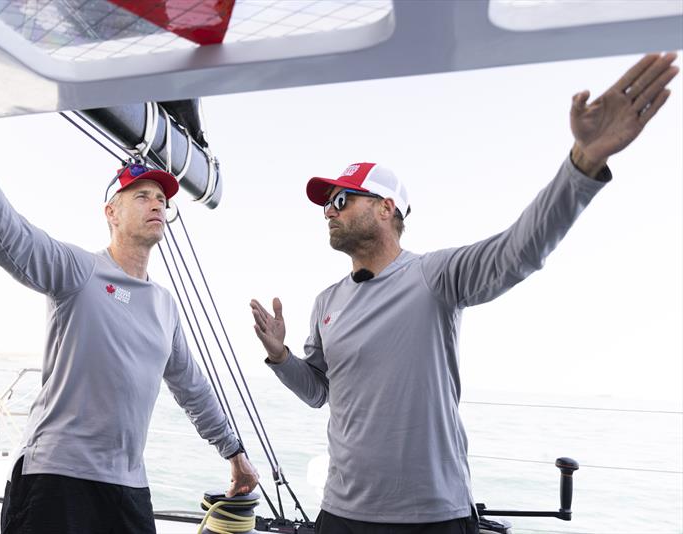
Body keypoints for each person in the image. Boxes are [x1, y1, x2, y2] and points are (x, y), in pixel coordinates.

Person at [250, 53, 679, 533]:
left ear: (387, 207)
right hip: (342, 515)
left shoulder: (435, 276)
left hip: (432, 516)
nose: (329, 211)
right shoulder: (326, 302)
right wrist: (281, 355)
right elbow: (319, 392)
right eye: (327, 204)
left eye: (342, 199)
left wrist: (584, 163)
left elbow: (519, 250)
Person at [0, 124, 259, 534]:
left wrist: (234, 453)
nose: (157, 204)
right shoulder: (80, 271)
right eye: (142, 196)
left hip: (128, 487)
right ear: (111, 213)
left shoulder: (165, 306)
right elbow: (9, 236)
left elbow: (193, 389)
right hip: (57, 479)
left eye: (161, 199)